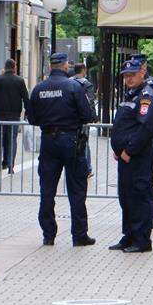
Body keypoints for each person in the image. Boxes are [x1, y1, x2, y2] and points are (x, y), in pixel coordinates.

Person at [25, 52, 96, 247]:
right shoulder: (73, 86)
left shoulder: (38, 89)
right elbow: (87, 114)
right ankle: (79, 235)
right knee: (76, 189)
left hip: (48, 141)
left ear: (50, 66)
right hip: (71, 140)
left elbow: (32, 119)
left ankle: (49, 235)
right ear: (66, 66)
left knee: (47, 190)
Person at [108, 59, 153, 253]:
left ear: (142, 73)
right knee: (126, 196)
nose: (128, 79)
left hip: (137, 157)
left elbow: (145, 128)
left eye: (132, 74)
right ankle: (129, 235)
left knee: (139, 196)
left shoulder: (146, 97)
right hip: (124, 157)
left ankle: (141, 240)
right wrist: (118, 150)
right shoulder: (130, 95)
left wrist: (128, 150)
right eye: (126, 75)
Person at [131, 54, 153, 229]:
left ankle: (152, 215)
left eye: (138, 67)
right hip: (135, 141)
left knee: (146, 178)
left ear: (143, 68)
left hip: (148, 140)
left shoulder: (150, 87)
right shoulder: (132, 89)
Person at [0, 58, 30, 173]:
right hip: (14, 116)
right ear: (14, 67)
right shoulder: (20, 81)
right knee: (12, 139)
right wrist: (28, 113)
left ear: (5, 67)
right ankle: (10, 164)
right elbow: (26, 99)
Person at [71, 63, 96, 177]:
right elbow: (90, 102)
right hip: (82, 119)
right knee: (84, 143)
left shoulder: (68, 82)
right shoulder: (87, 84)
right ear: (83, 70)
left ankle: (73, 168)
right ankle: (87, 169)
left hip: (70, 119)